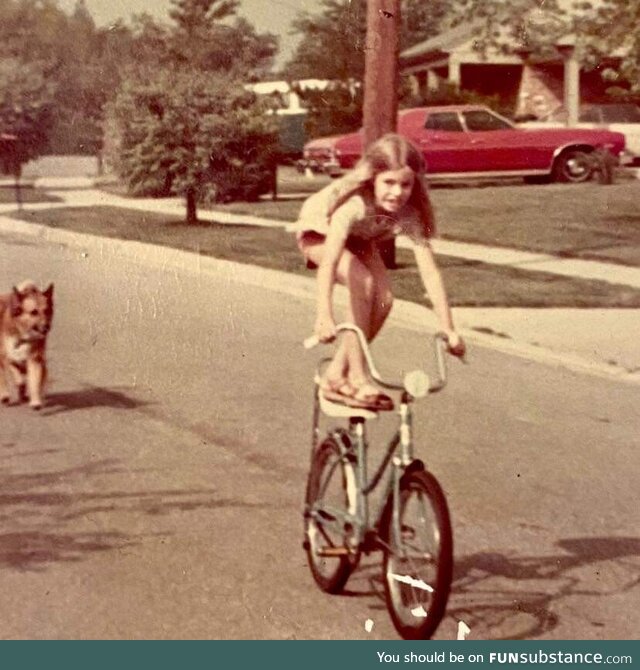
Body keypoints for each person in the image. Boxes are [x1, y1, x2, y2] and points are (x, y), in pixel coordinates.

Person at [294, 133, 465, 410]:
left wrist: (449, 328)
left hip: (361, 239)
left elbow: (430, 272)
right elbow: (328, 263)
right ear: (373, 177)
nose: (397, 192)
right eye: (388, 182)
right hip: (320, 235)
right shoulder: (353, 204)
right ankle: (359, 379)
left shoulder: (408, 213)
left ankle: (335, 375)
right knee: (363, 283)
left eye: (405, 184)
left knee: (385, 300)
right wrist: (324, 316)